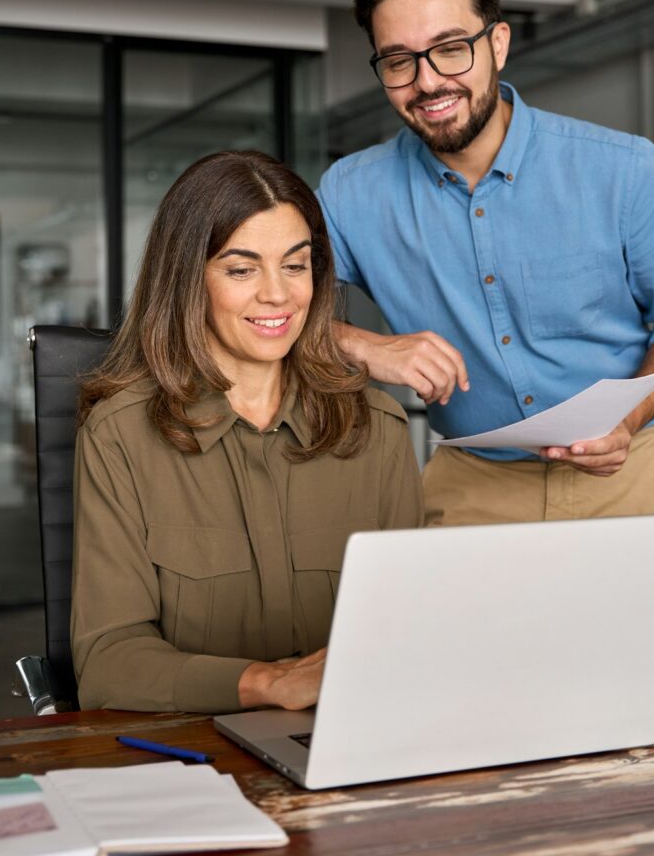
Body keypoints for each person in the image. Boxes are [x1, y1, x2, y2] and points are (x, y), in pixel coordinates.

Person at [318, 0, 654, 526]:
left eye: (451, 47)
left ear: (498, 44)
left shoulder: (625, 169)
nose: (428, 82)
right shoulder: (349, 193)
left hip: (627, 470)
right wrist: (364, 345)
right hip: (471, 481)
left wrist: (629, 417)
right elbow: (265, 308)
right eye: (398, 60)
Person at [71, 151, 423, 713]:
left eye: (294, 264)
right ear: (188, 280)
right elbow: (109, 662)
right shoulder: (121, 437)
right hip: (185, 759)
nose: (278, 295)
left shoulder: (376, 428)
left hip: (351, 744)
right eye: (241, 269)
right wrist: (267, 683)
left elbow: (416, 632)